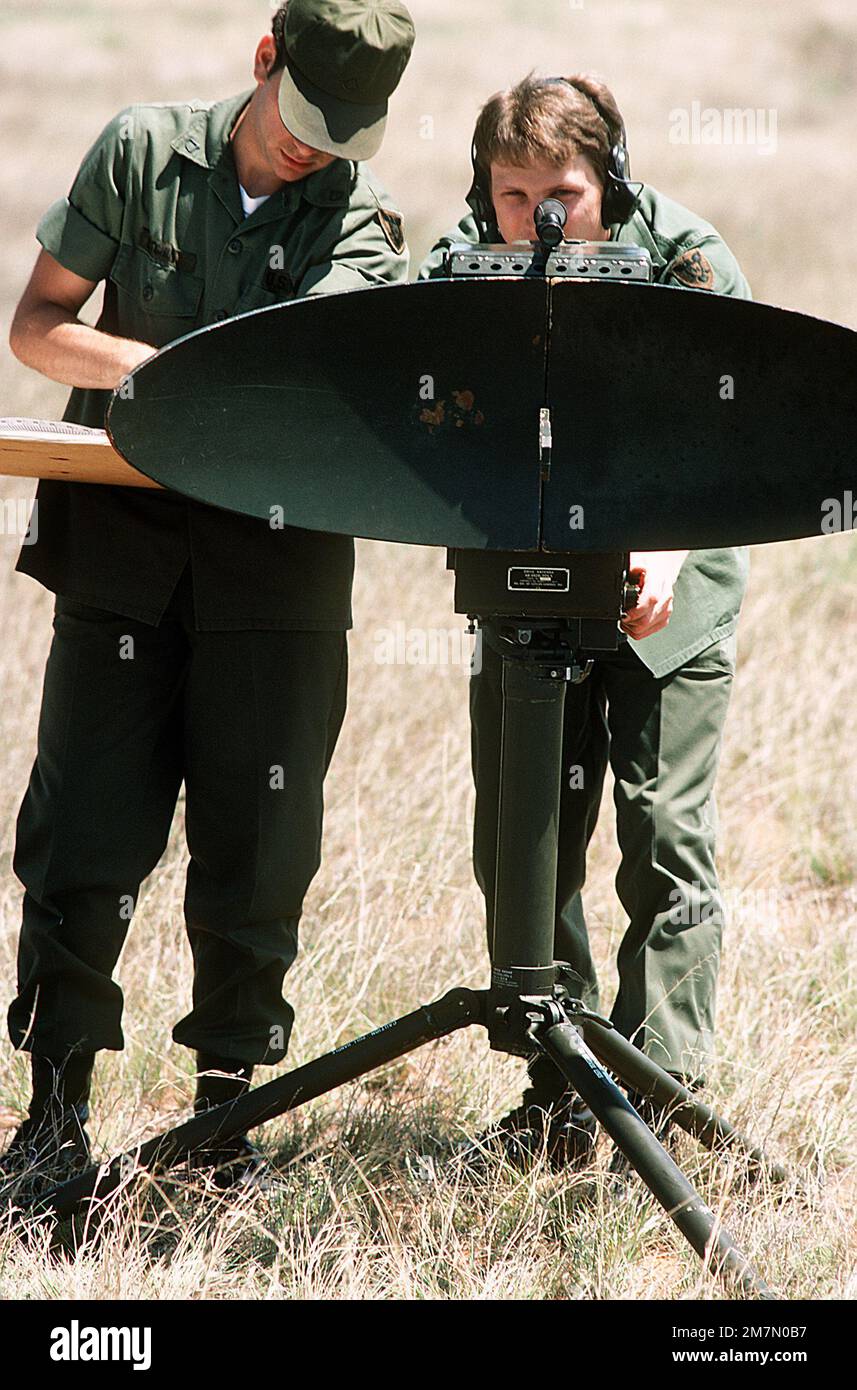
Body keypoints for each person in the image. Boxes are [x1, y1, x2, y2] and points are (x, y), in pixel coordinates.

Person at [2, 0, 415, 1194]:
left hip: (275, 577)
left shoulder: (358, 216)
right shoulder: (138, 152)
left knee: (257, 852)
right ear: (261, 60)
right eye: (300, 118)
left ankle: (220, 1130)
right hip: (119, 560)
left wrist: (199, 388)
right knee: (81, 838)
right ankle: (53, 1117)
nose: (312, 150)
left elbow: (309, 392)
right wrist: (158, 373)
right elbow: (40, 328)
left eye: (344, 133)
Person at [420, 72, 750, 1169]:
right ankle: (562, 1089)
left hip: (664, 598)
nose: (536, 219)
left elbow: (733, 428)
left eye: (559, 191)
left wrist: (658, 551)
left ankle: (657, 1097)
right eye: (511, 196)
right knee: (521, 846)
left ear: (605, 178)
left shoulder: (686, 261)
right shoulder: (457, 269)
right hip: (526, 592)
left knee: (663, 845)